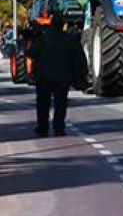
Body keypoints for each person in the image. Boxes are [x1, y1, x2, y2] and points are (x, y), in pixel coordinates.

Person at [30, 8, 88, 137]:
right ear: (63, 25)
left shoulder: (43, 39)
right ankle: (59, 128)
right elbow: (80, 59)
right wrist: (81, 76)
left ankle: (42, 126)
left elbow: (31, 53)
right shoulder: (70, 39)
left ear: (51, 23)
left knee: (43, 103)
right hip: (63, 77)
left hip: (44, 77)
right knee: (60, 104)